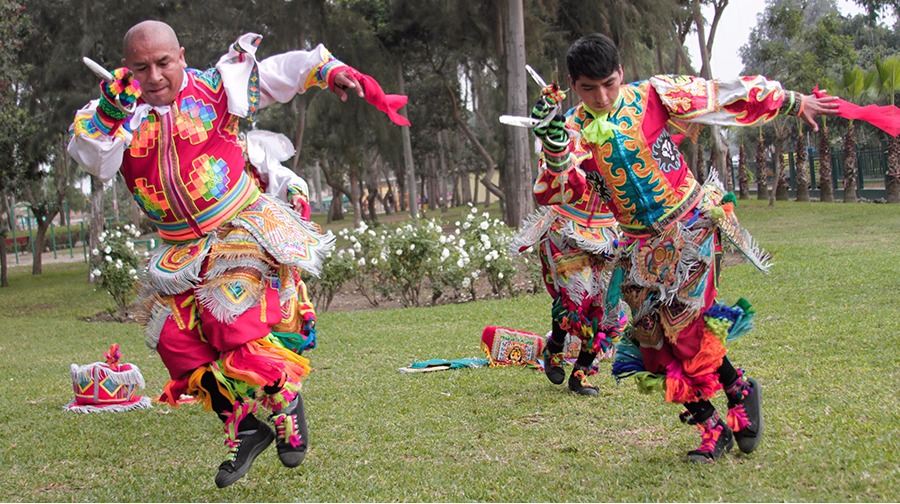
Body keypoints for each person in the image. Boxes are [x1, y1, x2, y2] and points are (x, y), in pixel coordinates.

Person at [68, 20, 407, 487]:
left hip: (238, 226)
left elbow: (276, 74)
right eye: (141, 67)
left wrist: (327, 72)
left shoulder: (215, 88)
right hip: (179, 250)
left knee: (230, 321)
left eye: (163, 62)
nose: (154, 76)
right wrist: (110, 114)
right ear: (127, 69)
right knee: (174, 343)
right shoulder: (117, 114)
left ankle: (284, 400)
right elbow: (95, 162)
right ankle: (246, 427)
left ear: (181, 56)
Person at [529, 33, 839, 462]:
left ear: (621, 73)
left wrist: (791, 101)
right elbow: (558, 190)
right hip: (638, 243)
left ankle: (742, 392)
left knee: (686, 327)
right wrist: (554, 144)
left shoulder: (654, 93)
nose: (601, 96)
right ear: (572, 84)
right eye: (588, 88)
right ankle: (712, 424)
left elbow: (722, 94)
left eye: (609, 83)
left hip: (689, 222)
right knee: (653, 344)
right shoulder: (570, 129)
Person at [512, 83, 626, 396]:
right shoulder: (571, 125)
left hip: (610, 233)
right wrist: (546, 111)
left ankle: (582, 373)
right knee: (577, 300)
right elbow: (548, 142)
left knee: (608, 307)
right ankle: (555, 347)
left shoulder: (626, 126)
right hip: (568, 229)